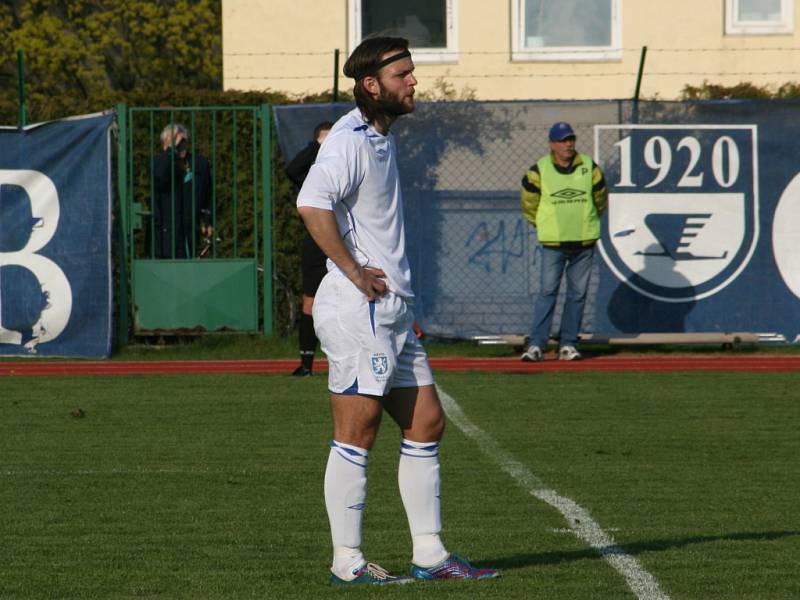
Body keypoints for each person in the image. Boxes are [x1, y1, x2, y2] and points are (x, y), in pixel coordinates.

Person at [296, 36, 498, 586]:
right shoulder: (349, 140)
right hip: (358, 309)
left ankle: (431, 556)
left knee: (427, 421)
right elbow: (310, 204)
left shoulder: (379, 137)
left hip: (390, 311)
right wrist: (355, 272)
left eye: (411, 72)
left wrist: (399, 300)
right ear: (371, 85)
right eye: (403, 74)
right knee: (356, 434)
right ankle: (348, 561)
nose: (413, 82)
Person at [519, 121, 608, 361]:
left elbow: (600, 198)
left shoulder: (590, 167)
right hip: (553, 243)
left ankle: (568, 344)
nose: (568, 144)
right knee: (547, 292)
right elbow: (528, 202)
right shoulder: (538, 171)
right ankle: (537, 344)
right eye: (562, 140)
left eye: (571, 139)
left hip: (584, 242)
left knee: (577, 295)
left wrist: (588, 219)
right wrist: (541, 223)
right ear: (552, 144)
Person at [285, 121, 334, 376]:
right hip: (316, 244)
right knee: (311, 301)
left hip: (346, 243)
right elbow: (292, 170)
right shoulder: (309, 175)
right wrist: (317, 147)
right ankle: (306, 363)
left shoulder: (342, 168)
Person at [153, 123, 213, 259]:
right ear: (165, 144)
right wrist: (170, 150)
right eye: (178, 144)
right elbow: (160, 177)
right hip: (166, 234)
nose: (181, 148)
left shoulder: (199, 163)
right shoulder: (158, 163)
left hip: (190, 231)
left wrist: (208, 219)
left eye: (183, 143)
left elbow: (208, 193)